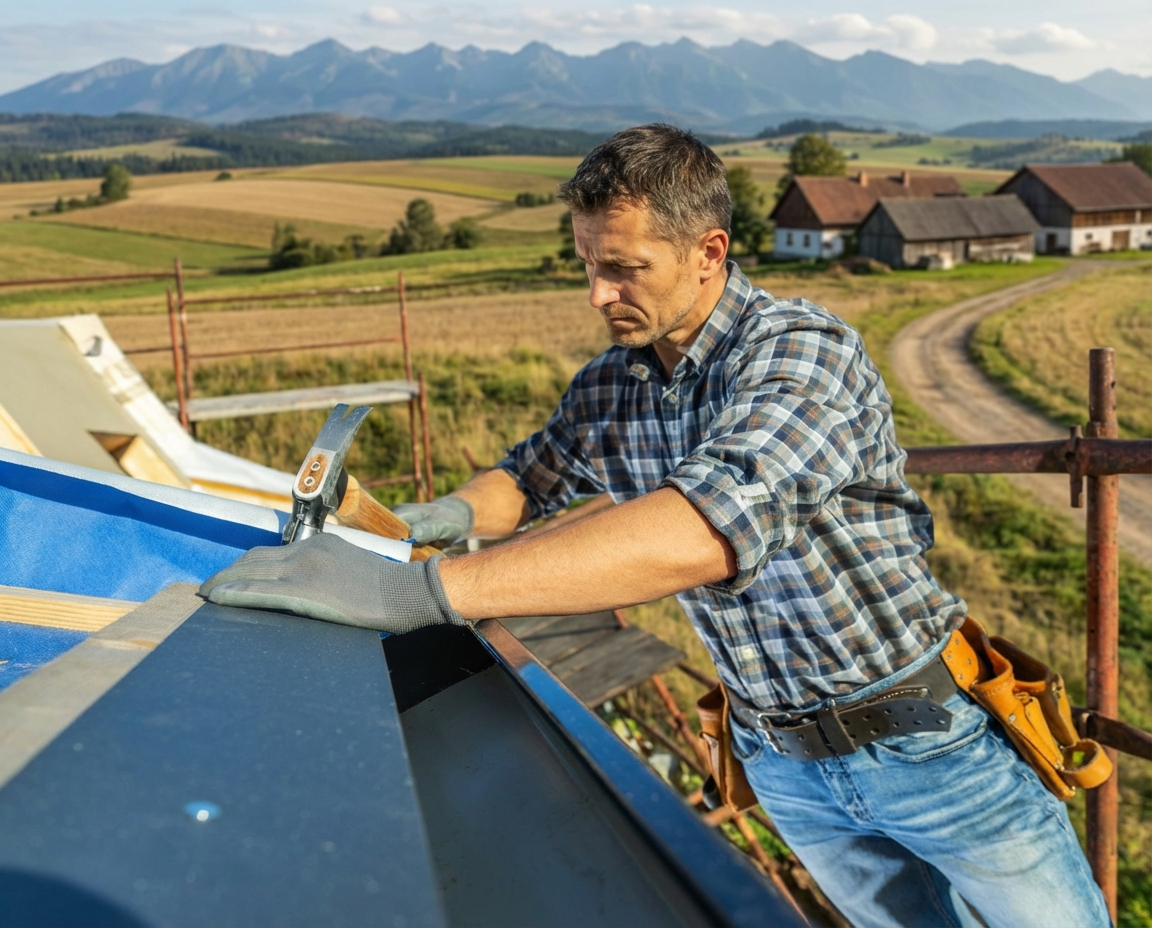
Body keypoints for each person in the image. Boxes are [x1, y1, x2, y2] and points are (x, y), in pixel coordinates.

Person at [201, 125, 1110, 928]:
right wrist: (431, 519)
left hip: (924, 740)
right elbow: (527, 477)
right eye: (589, 263)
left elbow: (702, 531)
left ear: (709, 251)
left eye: (623, 267)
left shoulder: (803, 353)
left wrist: (421, 589)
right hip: (782, 763)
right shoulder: (612, 384)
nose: (598, 293)